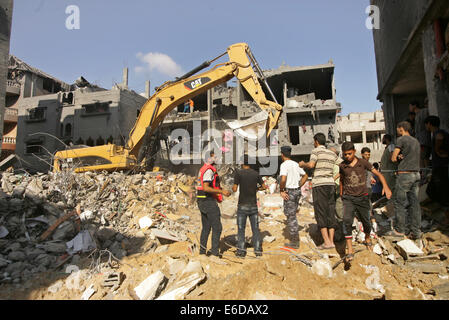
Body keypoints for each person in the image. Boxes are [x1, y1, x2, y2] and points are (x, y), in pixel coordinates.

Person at [339, 142, 392, 264]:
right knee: (346, 221)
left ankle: (367, 237)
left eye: (349, 154)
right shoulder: (342, 166)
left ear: (354, 151)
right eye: (345, 154)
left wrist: (386, 187)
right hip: (348, 198)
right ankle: (350, 250)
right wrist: (342, 194)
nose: (347, 156)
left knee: (366, 222)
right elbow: (342, 180)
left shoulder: (363, 163)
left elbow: (379, 174)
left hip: (363, 198)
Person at [299, 133, 339, 250]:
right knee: (330, 211)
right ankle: (331, 241)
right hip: (330, 185)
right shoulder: (332, 153)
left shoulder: (315, 151)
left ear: (316, 141)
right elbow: (342, 165)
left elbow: (311, 165)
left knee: (320, 212)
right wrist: (333, 178)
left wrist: (303, 164)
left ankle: (326, 242)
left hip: (319, 185)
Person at [390, 121, 422, 242]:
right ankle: (416, 232)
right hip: (416, 173)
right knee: (414, 203)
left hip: (404, 175)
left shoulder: (401, 139)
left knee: (400, 203)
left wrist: (397, 157)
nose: (397, 131)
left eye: (398, 129)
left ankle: (400, 230)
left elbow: (393, 158)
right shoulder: (416, 141)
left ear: (401, 129)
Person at [196, 150, 231, 258]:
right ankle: (215, 253)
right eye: (214, 157)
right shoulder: (209, 171)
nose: (216, 159)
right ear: (209, 158)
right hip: (207, 201)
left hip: (202, 200)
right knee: (217, 227)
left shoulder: (203, 169)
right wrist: (222, 192)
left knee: (206, 227)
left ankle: (202, 252)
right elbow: (206, 187)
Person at [232, 155, 267, 257]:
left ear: (242, 163)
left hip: (242, 205)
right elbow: (264, 187)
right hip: (253, 206)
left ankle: (241, 252)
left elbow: (234, 188)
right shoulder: (255, 174)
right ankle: (257, 251)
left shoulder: (238, 173)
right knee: (255, 229)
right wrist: (256, 189)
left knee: (241, 229)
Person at [279, 146, 308, 249]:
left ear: (282, 154)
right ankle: (294, 237)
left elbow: (283, 179)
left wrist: (281, 190)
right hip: (296, 191)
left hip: (289, 191)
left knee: (291, 216)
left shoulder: (284, 165)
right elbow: (305, 176)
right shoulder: (296, 164)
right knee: (292, 213)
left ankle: (295, 241)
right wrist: (299, 185)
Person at [424, 116, 449, 227]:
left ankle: (447, 218)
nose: (426, 126)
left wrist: (438, 151)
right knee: (433, 191)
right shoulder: (440, 132)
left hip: (441, 168)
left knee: (440, 192)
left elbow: (440, 138)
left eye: (426, 124)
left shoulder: (438, 133)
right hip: (439, 167)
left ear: (429, 124)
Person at [410, 100, 431, 168]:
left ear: (414, 105)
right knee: (421, 158)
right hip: (420, 140)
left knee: (424, 158)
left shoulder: (424, 111)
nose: (409, 108)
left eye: (410, 106)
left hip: (424, 140)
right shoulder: (417, 115)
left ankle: (426, 174)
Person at [380, 134, 397, 201]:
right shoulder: (387, 147)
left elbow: (392, 156)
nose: (382, 140)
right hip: (386, 173)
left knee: (391, 189)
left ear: (386, 139)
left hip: (390, 173)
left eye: (383, 138)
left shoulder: (391, 146)